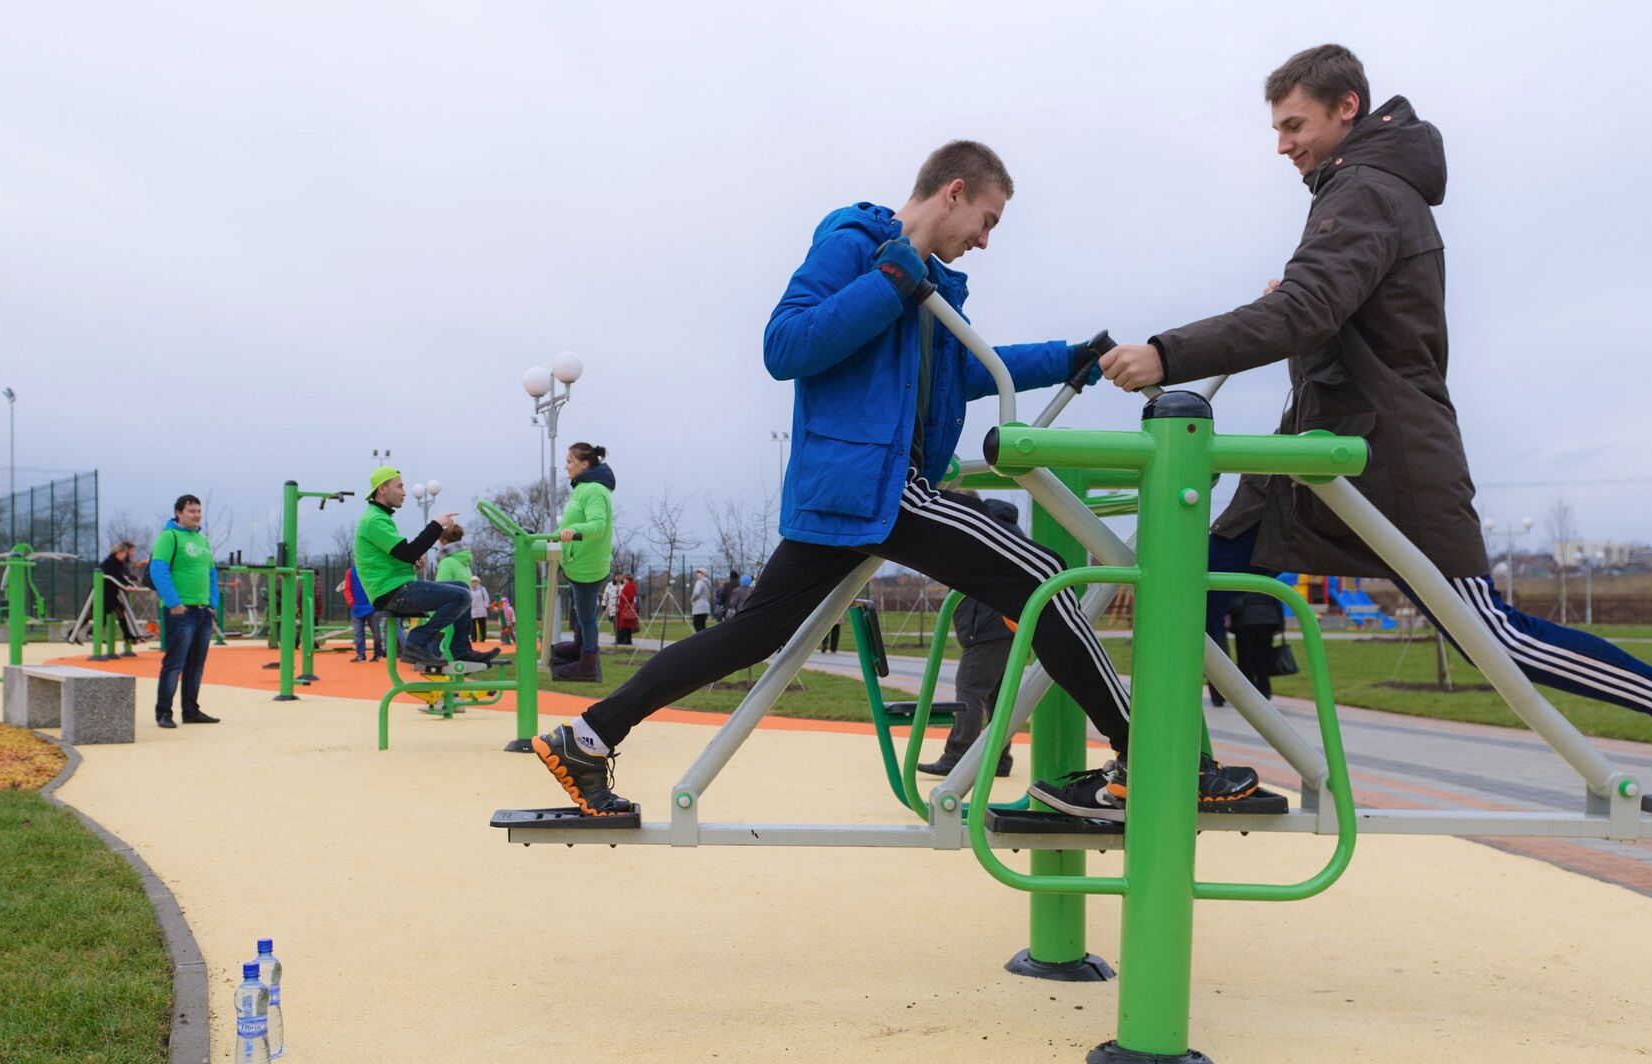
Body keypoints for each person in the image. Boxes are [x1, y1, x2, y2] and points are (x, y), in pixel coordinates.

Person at [1096, 44, 1652, 808]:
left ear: (1346, 107)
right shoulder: (1356, 191)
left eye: (1294, 125)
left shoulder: (1365, 191)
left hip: (1392, 457)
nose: (1281, 145)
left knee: (1492, 636)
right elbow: (1328, 311)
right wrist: (1300, 297)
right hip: (1319, 454)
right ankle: (1159, 765)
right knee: (1190, 585)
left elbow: (1304, 312)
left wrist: (1166, 353)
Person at [527, 139, 1258, 820]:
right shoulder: (856, 244)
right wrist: (888, 280)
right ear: (954, 191)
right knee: (1043, 576)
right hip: (874, 483)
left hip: (859, 493)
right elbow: (786, 345)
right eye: (987, 220)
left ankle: (587, 738)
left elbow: (964, 374)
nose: (986, 239)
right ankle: (1157, 762)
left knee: (754, 631)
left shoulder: (930, 287)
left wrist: (1070, 357)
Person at [917, 498, 1023, 779]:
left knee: (970, 690)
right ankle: (1000, 759)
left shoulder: (984, 533)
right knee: (997, 696)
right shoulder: (1009, 534)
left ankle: (957, 756)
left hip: (986, 627)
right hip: (1009, 626)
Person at [354, 467, 498, 666]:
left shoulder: (380, 517)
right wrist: (436, 525)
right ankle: (417, 642)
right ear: (382, 489)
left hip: (396, 588)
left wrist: (412, 561)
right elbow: (408, 551)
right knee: (461, 596)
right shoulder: (374, 520)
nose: (404, 492)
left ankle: (461, 650)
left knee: (464, 588)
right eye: (400, 486)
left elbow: (400, 555)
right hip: (392, 592)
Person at [149, 495, 222, 729]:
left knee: (196, 665)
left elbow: (211, 572)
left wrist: (212, 604)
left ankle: (191, 710)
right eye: (192, 511)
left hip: (202, 612)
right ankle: (164, 712)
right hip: (181, 613)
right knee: (174, 663)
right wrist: (174, 603)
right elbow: (158, 570)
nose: (197, 515)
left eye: (199, 511)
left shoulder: (202, 539)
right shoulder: (168, 537)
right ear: (178, 512)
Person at [548, 442, 616, 681]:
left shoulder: (595, 490)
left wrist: (572, 530)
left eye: (569, 461)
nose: (566, 466)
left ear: (584, 464)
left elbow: (598, 526)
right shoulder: (582, 488)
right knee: (579, 612)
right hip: (578, 562)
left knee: (586, 617)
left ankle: (588, 663)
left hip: (588, 565)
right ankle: (580, 646)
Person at [1227, 591, 1285, 701]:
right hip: (1267, 620)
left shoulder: (1240, 582)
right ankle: (1265, 690)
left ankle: (1248, 691)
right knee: (1262, 658)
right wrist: (1280, 625)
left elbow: (1233, 603)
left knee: (1245, 659)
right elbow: (1277, 602)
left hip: (1244, 621)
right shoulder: (1267, 580)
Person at [97, 539, 146, 651]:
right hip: (104, 593)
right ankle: (127, 635)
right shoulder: (109, 563)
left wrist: (130, 585)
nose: (125, 555)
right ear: (118, 553)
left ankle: (128, 635)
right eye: (124, 553)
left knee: (119, 611)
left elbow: (123, 576)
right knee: (115, 612)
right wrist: (128, 585)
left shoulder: (118, 563)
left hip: (111, 592)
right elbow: (118, 576)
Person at [342, 566, 383, 662]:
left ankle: (361, 655)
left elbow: (347, 588)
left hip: (359, 606)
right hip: (370, 606)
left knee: (359, 633)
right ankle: (377, 654)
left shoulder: (351, 571)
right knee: (375, 632)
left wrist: (351, 602)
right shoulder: (371, 568)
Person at [615, 573, 639, 646]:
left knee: (625, 625)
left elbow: (630, 596)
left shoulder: (630, 586)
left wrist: (623, 598)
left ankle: (626, 639)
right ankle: (624, 639)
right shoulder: (628, 585)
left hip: (626, 608)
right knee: (624, 625)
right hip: (623, 607)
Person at [688, 568, 711, 634]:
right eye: (697, 573)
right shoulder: (707, 583)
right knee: (703, 625)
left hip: (698, 607)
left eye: (699, 572)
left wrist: (692, 599)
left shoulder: (700, 582)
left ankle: (701, 641)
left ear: (703, 574)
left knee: (698, 626)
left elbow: (697, 593)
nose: (697, 574)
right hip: (705, 607)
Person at [469, 576, 491, 643]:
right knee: (472, 626)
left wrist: (486, 605)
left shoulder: (482, 589)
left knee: (482, 625)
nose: (474, 583)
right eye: (473, 582)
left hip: (481, 610)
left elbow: (486, 597)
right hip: (472, 611)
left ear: (478, 582)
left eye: (476, 581)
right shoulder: (469, 589)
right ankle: (474, 639)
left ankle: (483, 638)